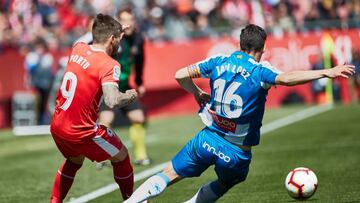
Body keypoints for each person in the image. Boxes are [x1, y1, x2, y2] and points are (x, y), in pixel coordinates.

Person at [124, 24, 355, 203]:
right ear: (262, 49)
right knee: (228, 182)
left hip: (207, 139)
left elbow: (180, 74)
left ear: (240, 43)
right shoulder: (259, 70)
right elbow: (286, 78)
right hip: (236, 153)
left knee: (170, 173)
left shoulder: (219, 60)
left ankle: (133, 200)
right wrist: (327, 72)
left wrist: (196, 93)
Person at [50, 14, 138, 203]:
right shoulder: (109, 64)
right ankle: (131, 200)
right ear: (112, 39)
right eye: (118, 40)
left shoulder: (78, 48)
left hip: (57, 126)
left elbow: (90, 35)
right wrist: (130, 96)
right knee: (121, 156)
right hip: (81, 131)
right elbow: (112, 100)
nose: (119, 46)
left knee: (74, 161)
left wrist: (115, 29)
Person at [98, 7, 150, 166]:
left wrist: (140, 83)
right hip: (108, 87)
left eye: (131, 19)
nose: (129, 23)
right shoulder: (111, 38)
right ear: (119, 22)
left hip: (126, 85)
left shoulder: (139, 39)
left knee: (139, 118)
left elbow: (140, 62)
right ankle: (102, 157)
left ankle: (141, 156)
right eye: (125, 20)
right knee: (106, 120)